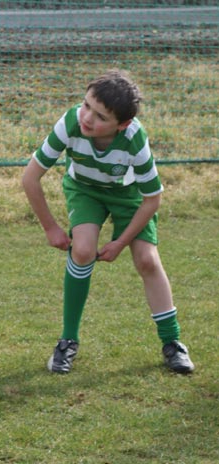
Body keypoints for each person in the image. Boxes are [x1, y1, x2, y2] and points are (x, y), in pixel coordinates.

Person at [22, 69, 194, 376]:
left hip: (128, 197)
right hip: (85, 190)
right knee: (83, 250)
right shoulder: (72, 121)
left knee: (147, 260)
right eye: (87, 105)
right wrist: (51, 227)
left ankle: (173, 344)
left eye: (101, 117)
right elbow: (31, 177)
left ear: (122, 124)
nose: (88, 118)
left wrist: (120, 243)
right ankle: (67, 341)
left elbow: (151, 199)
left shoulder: (133, 138)